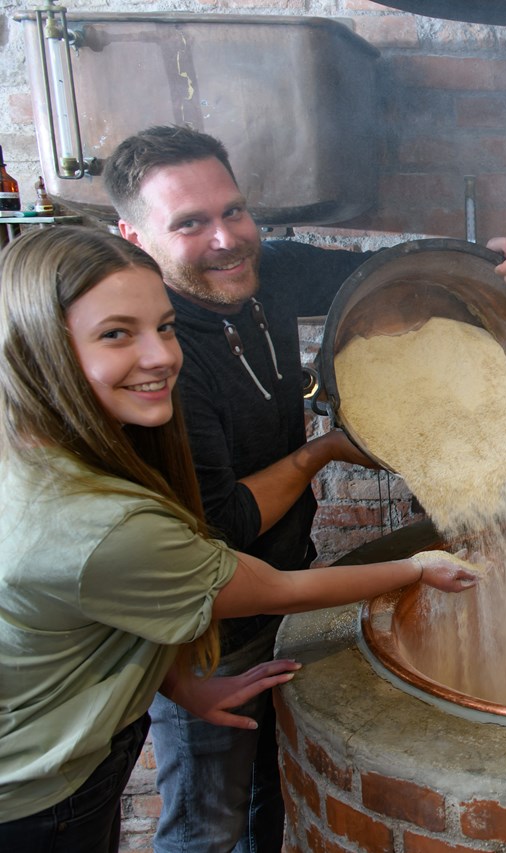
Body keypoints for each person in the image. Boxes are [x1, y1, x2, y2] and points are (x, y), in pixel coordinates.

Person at [102, 124, 506, 853]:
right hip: (204, 635)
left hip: (282, 584)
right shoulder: (162, 362)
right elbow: (225, 525)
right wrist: (326, 452)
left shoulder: (264, 270)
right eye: (190, 222)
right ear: (134, 234)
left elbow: (395, 270)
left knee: (261, 805)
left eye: (233, 210)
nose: (226, 238)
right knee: (206, 824)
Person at [0, 226, 480, 852]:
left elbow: (120, 603)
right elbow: (270, 586)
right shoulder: (102, 523)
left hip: (67, 749)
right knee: (204, 830)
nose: (160, 356)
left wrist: (181, 684)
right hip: (37, 799)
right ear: (41, 345)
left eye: (165, 327)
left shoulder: (51, 444)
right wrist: (416, 568)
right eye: (116, 333)